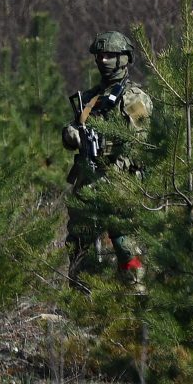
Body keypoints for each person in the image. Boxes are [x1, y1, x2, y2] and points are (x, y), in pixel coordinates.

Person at [61, 31, 152, 294]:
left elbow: (142, 142)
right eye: (100, 55)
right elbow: (74, 131)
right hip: (88, 182)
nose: (103, 60)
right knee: (80, 242)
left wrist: (118, 169)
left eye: (110, 55)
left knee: (125, 242)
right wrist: (71, 134)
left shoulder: (134, 98)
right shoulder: (90, 99)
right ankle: (82, 299)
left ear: (124, 59)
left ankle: (135, 296)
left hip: (120, 182)